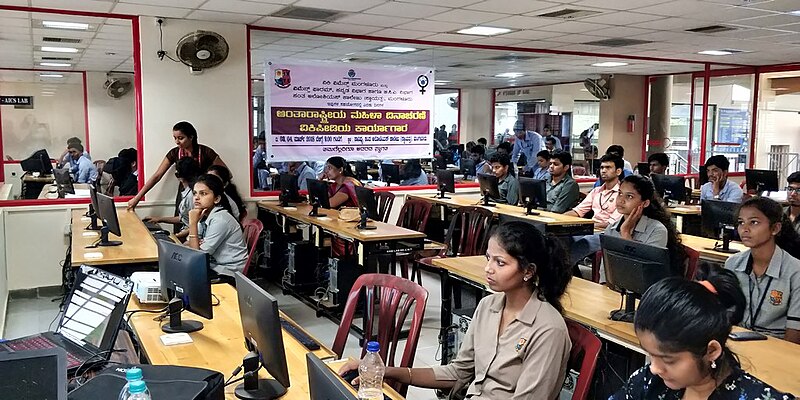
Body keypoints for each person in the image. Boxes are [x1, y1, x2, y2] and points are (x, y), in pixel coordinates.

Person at [338, 221, 572, 399]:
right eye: (488, 258)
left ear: (528, 271)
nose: (488, 269)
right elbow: (459, 372)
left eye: (500, 263)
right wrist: (385, 371)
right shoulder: (488, 306)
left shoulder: (548, 330)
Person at [611, 265, 795, 400]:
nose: (654, 368)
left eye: (668, 360)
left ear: (711, 351)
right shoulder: (650, 381)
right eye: (650, 354)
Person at [724, 196, 800, 344]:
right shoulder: (732, 263)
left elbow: (795, 333)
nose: (745, 229)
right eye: (741, 222)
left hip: (775, 346)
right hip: (737, 341)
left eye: (754, 222)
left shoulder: (795, 271)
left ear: (775, 228)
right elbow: (724, 313)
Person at [601, 175, 685, 282]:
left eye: (629, 196)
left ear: (645, 203)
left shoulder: (657, 230)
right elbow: (605, 270)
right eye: (620, 194)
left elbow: (643, 274)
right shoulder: (611, 229)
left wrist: (626, 233)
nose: (621, 200)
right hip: (616, 290)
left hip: (643, 293)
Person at [128, 121, 227, 209]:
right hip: (184, 192)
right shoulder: (174, 153)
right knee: (183, 222)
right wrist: (137, 198)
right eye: (175, 138)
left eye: (181, 138)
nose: (177, 142)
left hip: (204, 195)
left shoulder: (206, 152)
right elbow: (157, 176)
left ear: (191, 137)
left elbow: (226, 174)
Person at [186, 174, 248, 279]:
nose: (196, 198)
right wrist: (196, 242)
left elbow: (197, 257)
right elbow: (190, 244)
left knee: (185, 274)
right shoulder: (204, 214)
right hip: (214, 266)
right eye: (194, 193)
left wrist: (192, 223)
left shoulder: (220, 219)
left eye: (203, 194)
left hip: (229, 272)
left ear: (217, 199)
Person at [144, 157, 201, 241]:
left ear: (178, 175)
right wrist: (159, 219)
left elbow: (197, 225)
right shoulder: (186, 192)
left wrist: (176, 236)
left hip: (191, 238)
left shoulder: (192, 196)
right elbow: (183, 219)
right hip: (185, 234)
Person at [566, 154, 623, 229]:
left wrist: (586, 226)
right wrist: (557, 219)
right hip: (591, 228)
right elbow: (578, 211)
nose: (603, 171)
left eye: (608, 167)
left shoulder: (622, 195)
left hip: (606, 232)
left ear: (618, 171)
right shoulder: (596, 191)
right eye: (602, 168)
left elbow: (612, 223)